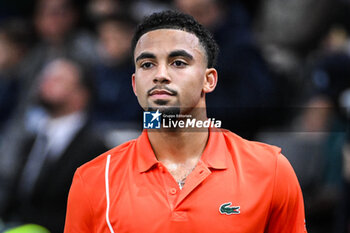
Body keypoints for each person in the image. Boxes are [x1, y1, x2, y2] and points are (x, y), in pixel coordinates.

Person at [64, 10, 307, 233]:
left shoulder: (271, 170)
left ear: (209, 80)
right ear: (134, 84)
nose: (160, 75)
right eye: (147, 65)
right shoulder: (92, 180)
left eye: (178, 62)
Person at [0, 58, 107, 233]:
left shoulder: (94, 147)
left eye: (58, 79)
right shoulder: (32, 138)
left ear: (80, 95)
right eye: (46, 77)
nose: (46, 82)